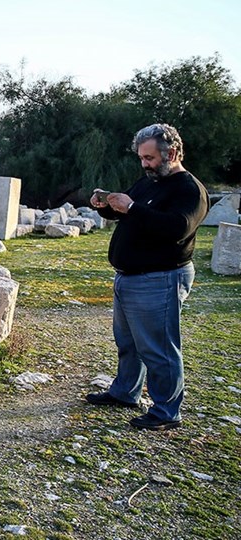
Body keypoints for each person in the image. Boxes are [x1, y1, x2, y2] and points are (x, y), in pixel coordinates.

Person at [85, 123, 208, 431]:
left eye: (150, 158)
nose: (145, 164)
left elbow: (177, 227)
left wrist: (132, 208)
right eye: (141, 158)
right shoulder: (149, 180)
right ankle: (125, 392)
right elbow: (130, 209)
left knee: (158, 348)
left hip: (160, 278)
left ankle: (167, 411)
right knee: (128, 343)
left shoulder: (189, 189)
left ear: (173, 153)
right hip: (129, 277)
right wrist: (107, 207)